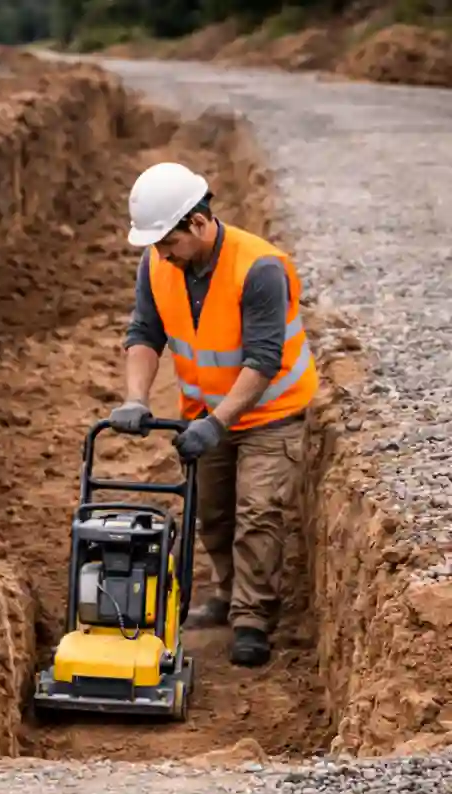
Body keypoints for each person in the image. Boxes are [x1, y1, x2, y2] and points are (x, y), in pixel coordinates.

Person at [109, 161, 318, 668]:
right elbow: (144, 334)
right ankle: (228, 592)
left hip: (271, 411)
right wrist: (137, 399)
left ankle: (253, 617)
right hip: (207, 411)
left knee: (259, 512)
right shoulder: (159, 265)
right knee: (214, 513)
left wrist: (218, 423)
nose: (161, 254)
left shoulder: (259, 268)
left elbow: (264, 359)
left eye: (168, 243)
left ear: (198, 224)